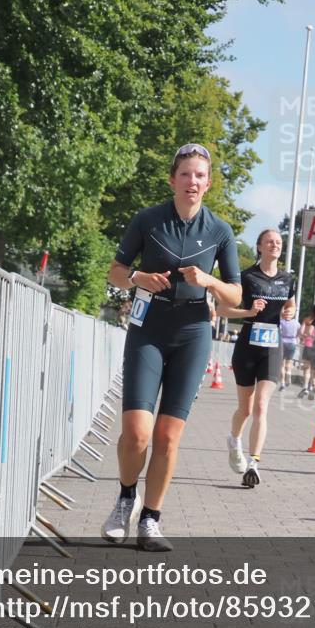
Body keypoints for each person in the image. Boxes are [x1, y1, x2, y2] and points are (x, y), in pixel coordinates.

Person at [101, 143, 242, 552]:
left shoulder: (220, 231)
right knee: (137, 432)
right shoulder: (148, 220)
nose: (192, 181)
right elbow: (115, 271)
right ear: (172, 180)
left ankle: (150, 521)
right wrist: (136, 279)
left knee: (166, 437)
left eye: (200, 175)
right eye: (185, 174)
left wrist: (210, 282)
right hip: (149, 328)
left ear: (208, 184)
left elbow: (234, 295)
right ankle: (126, 496)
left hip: (193, 332)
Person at [217, 229, 296, 487]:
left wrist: (289, 313)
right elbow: (223, 309)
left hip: (273, 348)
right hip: (247, 347)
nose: (275, 245)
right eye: (270, 242)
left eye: (279, 242)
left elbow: (291, 305)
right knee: (246, 408)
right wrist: (248, 311)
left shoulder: (287, 279)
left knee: (262, 405)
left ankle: (254, 463)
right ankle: (234, 439)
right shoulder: (247, 277)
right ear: (259, 247)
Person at [297, 304, 315, 399]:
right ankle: (314, 386)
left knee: (306, 368)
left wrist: (305, 337)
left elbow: (301, 333)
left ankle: (305, 388)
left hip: (308, 346)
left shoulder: (307, 320)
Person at [279, 304, 299, 390]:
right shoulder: (296, 323)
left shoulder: (281, 322)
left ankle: (282, 382)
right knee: (289, 362)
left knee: (281, 364)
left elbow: (278, 331)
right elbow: (299, 332)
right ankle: (289, 373)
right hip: (292, 342)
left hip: (282, 342)